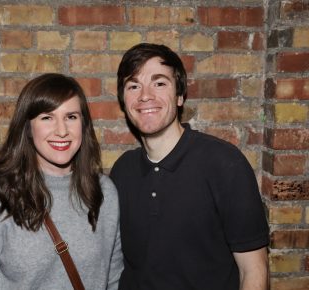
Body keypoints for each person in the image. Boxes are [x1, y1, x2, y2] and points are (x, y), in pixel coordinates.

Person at [110, 43, 269, 290]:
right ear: (124, 100)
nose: (145, 95)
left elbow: (254, 271)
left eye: (159, 82)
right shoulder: (122, 171)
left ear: (180, 95)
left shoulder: (224, 164)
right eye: (133, 86)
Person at [0, 73, 123, 289]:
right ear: (28, 129)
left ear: (84, 124)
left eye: (71, 117)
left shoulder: (104, 192)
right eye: (47, 117)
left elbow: (114, 279)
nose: (62, 131)